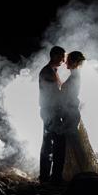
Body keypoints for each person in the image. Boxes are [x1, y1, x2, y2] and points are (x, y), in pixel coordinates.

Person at [60, 51, 98, 180]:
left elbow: (71, 96)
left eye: (67, 60)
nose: (65, 62)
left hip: (71, 112)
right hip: (70, 112)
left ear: (73, 62)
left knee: (75, 143)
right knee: (74, 143)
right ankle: (79, 170)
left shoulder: (75, 76)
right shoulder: (74, 75)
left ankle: (84, 171)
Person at [38, 46, 66, 184]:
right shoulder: (47, 72)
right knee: (56, 144)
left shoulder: (52, 71)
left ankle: (48, 176)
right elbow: (54, 94)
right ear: (54, 56)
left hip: (51, 111)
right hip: (50, 111)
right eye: (61, 56)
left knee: (50, 143)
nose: (63, 59)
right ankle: (52, 177)